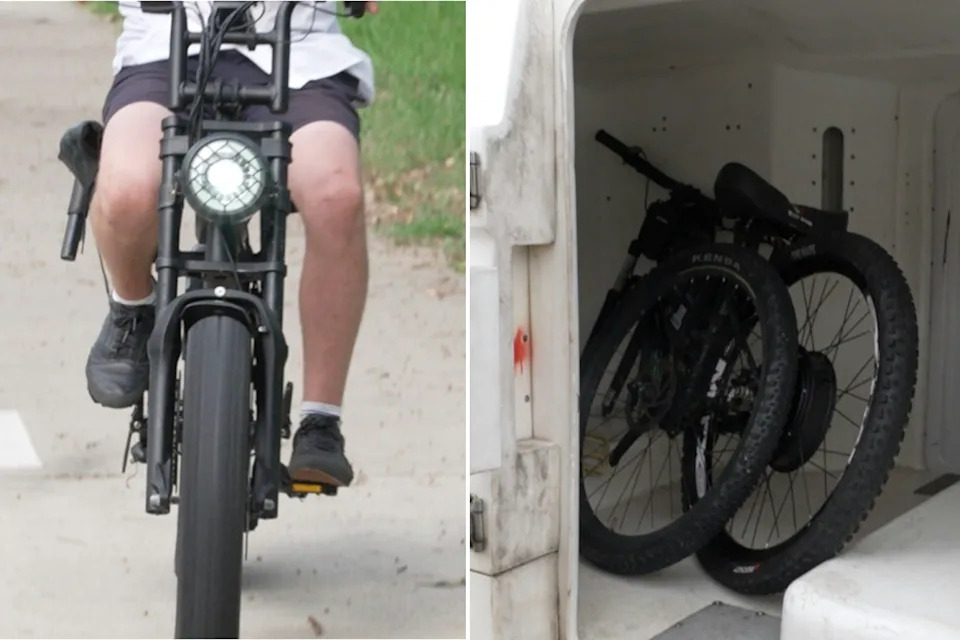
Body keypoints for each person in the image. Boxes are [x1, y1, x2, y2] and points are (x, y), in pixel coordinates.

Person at [84, 0, 379, 490]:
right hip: (167, 45)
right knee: (127, 189)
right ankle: (131, 309)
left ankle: (320, 421)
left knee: (337, 197)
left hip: (300, 50)